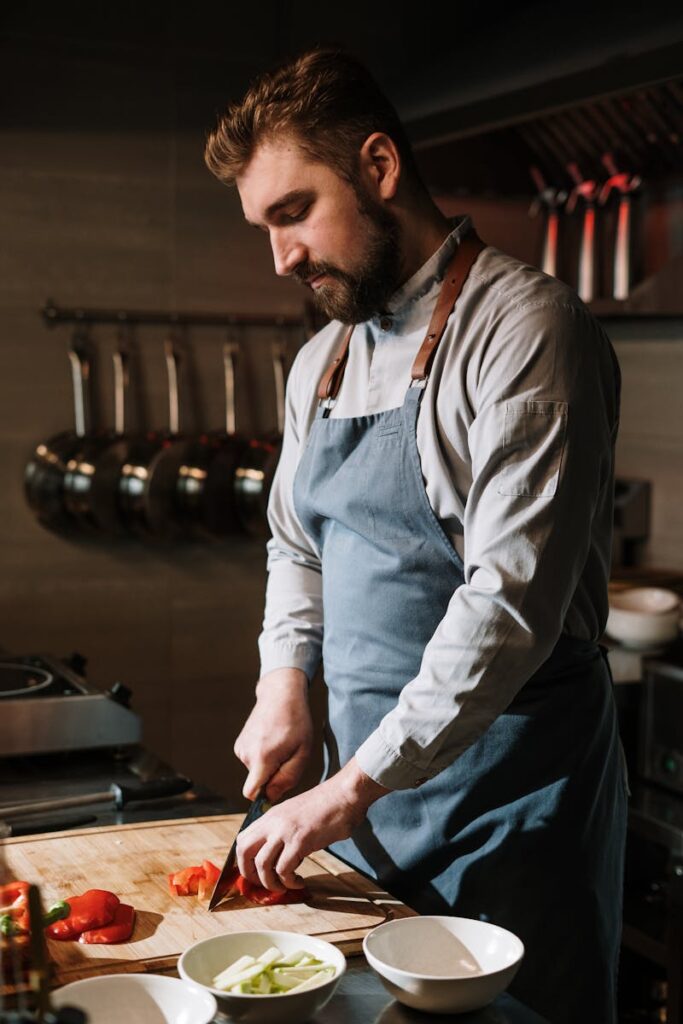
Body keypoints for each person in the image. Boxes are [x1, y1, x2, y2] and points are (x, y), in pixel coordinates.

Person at [204, 48, 627, 1024]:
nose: (281, 258)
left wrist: (348, 788)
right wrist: (285, 686)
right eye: (263, 227)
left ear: (379, 167)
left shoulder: (528, 329)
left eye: (292, 212)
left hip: (510, 804)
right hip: (368, 807)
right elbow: (295, 545)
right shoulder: (321, 359)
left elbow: (505, 607)